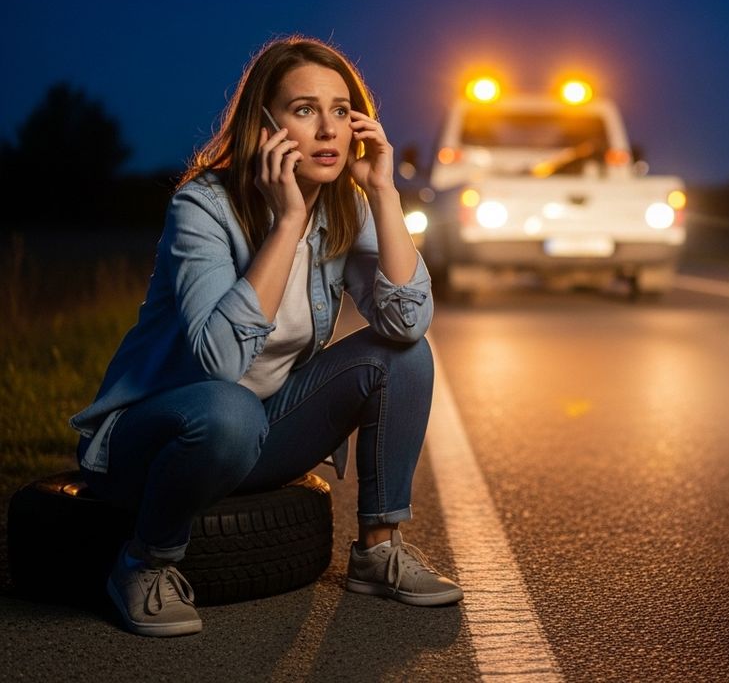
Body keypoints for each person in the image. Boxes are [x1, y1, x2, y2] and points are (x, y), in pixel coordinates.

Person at [68, 36, 461, 638]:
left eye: (340, 109)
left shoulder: (346, 206)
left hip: (254, 433)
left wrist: (383, 193)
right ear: (266, 125)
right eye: (304, 110)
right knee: (228, 409)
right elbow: (220, 364)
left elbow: (406, 321)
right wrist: (288, 224)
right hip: (150, 445)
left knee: (401, 356)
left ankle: (378, 551)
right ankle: (143, 563)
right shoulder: (202, 208)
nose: (328, 129)